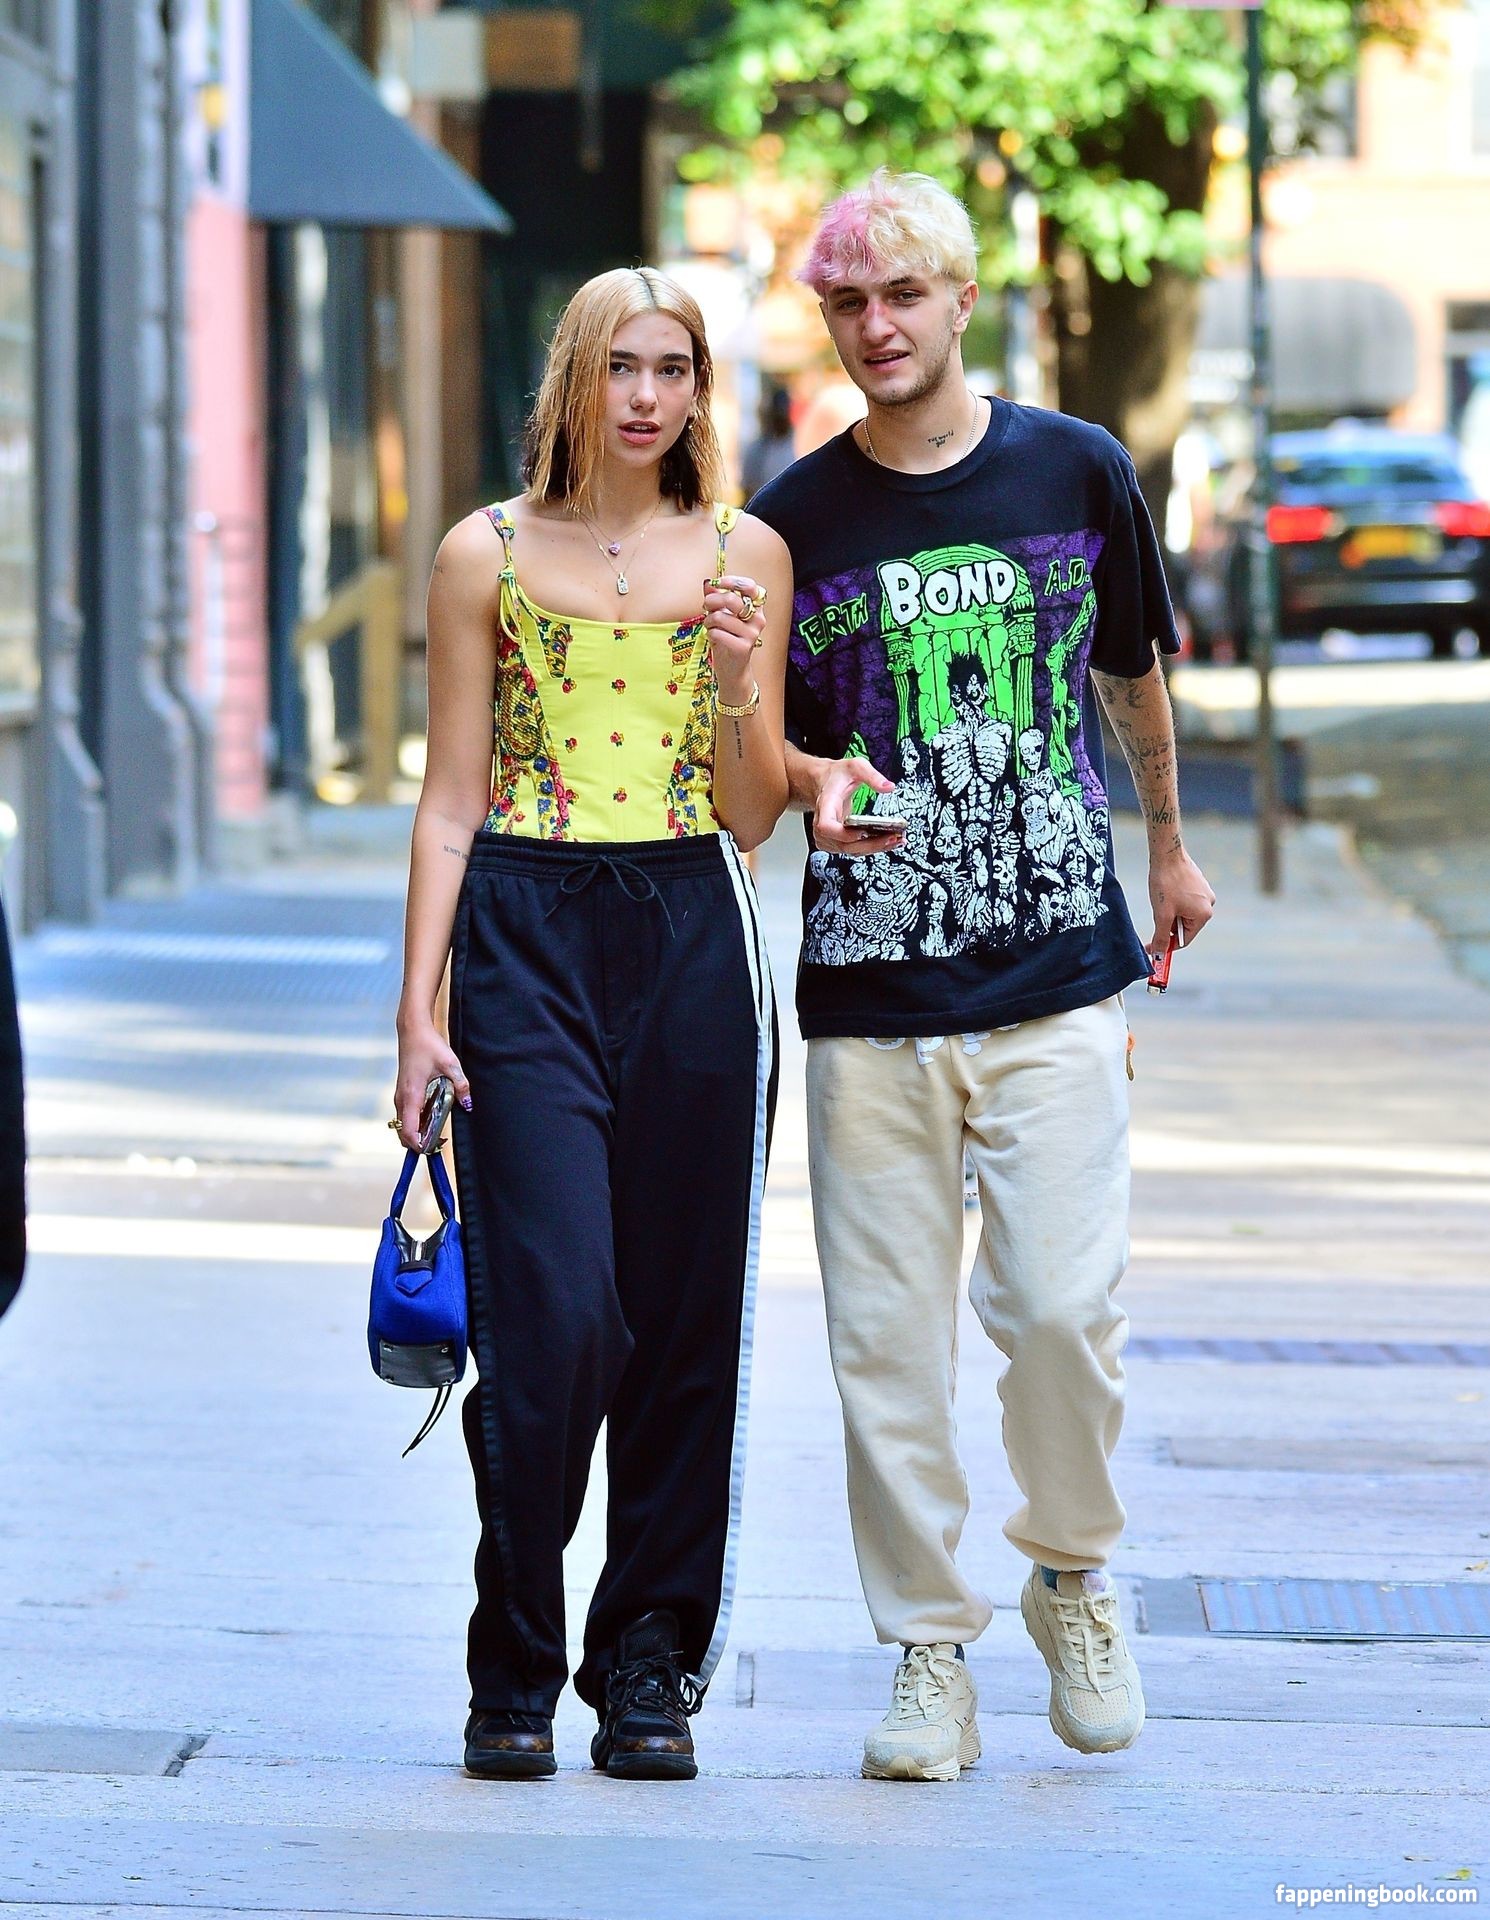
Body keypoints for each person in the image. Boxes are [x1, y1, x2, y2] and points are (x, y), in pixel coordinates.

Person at [748, 171, 1215, 1783]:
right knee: (885, 1351)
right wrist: (806, 777)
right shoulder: (790, 522)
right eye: (846, 303)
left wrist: (1167, 851)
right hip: (869, 995)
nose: (876, 326)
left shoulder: (1074, 468)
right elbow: (753, 768)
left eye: (902, 295)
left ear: (960, 298)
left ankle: (1071, 1574)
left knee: (1065, 1314)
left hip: (1058, 969)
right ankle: (926, 1655)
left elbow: (1128, 669)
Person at [395, 266, 791, 1782]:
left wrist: (740, 679)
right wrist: (417, 1013)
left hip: (691, 927)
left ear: (699, 388)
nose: (646, 396)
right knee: (552, 1316)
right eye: (620, 366)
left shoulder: (747, 551)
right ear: (571, 377)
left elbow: (750, 813)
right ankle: (513, 1657)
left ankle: (646, 1664)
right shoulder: (481, 553)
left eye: (672, 368)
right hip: (522, 926)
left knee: (685, 1323)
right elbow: (449, 799)